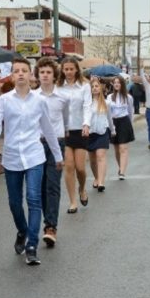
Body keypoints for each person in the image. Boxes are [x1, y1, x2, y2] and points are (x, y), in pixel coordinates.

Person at [0, 58, 63, 266]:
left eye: (24, 71)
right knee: (14, 203)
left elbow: (48, 130)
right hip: (12, 157)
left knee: (34, 198)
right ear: (12, 76)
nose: (20, 74)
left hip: (34, 154)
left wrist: (58, 155)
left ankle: (32, 245)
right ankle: (22, 231)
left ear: (30, 75)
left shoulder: (39, 101)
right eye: (16, 71)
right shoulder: (5, 100)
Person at [34, 58, 68, 248]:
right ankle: (43, 222)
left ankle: (51, 227)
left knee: (53, 185)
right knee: (39, 186)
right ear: (37, 75)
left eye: (48, 72)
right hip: (36, 145)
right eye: (42, 72)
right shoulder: (32, 97)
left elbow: (65, 120)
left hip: (57, 143)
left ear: (54, 76)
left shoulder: (63, 98)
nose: (45, 75)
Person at [57, 57, 91, 214]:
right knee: (68, 167)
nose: (69, 72)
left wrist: (86, 123)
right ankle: (72, 202)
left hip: (80, 129)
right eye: (66, 69)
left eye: (71, 69)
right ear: (62, 70)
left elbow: (87, 106)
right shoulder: (58, 87)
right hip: (64, 131)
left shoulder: (84, 86)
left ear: (76, 69)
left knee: (80, 168)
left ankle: (82, 189)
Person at [87, 77, 114, 193]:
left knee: (100, 156)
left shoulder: (107, 103)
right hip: (90, 133)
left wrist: (113, 130)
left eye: (96, 86)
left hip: (103, 131)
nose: (94, 88)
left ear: (101, 88)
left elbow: (110, 118)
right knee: (92, 159)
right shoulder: (87, 103)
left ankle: (101, 182)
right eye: (92, 86)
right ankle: (97, 178)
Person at [108, 76, 135, 180]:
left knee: (123, 148)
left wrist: (130, 124)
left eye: (118, 82)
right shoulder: (110, 97)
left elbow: (130, 111)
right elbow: (108, 112)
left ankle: (122, 172)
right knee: (116, 149)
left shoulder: (128, 97)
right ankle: (120, 167)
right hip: (114, 122)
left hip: (124, 121)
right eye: (115, 83)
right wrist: (110, 126)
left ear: (122, 84)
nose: (116, 84)